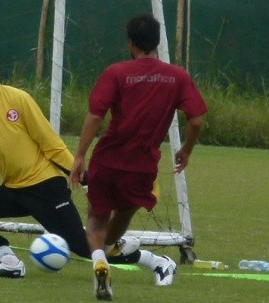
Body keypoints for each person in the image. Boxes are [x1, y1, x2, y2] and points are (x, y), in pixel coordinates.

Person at [0, 46, 140, 278]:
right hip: (14, 190)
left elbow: (50, 143)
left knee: (82, 246)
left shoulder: (18, 98)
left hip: (46, 186)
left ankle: (154, 261)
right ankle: (9, 261)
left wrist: (85, 178)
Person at [70, 14, 207, 300]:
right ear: (157, 42)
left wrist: (79, 155)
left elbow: (96, 115)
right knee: (126, 211)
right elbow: (196, 121)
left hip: (108, 158)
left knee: (96, 218)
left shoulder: (117, 73)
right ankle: (107, 254)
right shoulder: (177, 76)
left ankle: (99, 260)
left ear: (131, 43)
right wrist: (186, 150)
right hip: (142, 164)